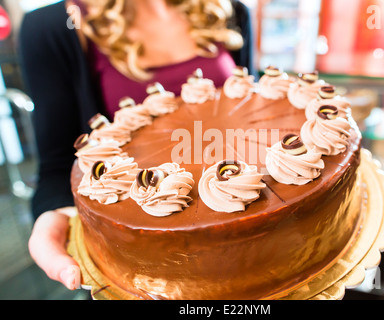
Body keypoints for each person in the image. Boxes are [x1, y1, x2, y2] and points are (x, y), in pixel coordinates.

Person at [18, 0, 254, 291]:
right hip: (147, 261)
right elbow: (57, 165)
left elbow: (248, 111)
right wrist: (57, 212)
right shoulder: (54, 27)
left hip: (246, 233)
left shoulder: (228, 10)